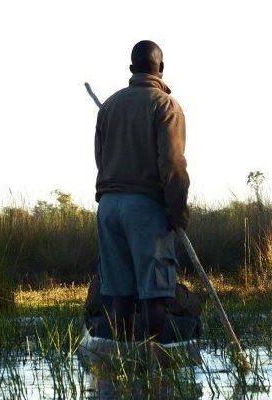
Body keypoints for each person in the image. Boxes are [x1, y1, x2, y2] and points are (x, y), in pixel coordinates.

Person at [94, 40, 189, 343]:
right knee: (154, 294)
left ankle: (122, 363)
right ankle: (152, 368)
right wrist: (177, 212)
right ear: (160, 69)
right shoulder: (166, 106)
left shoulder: (109, 105)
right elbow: (173, 166)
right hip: (145, 209)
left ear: (132, 69)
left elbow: (101, 158)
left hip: (108, 207)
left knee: (119, 294)